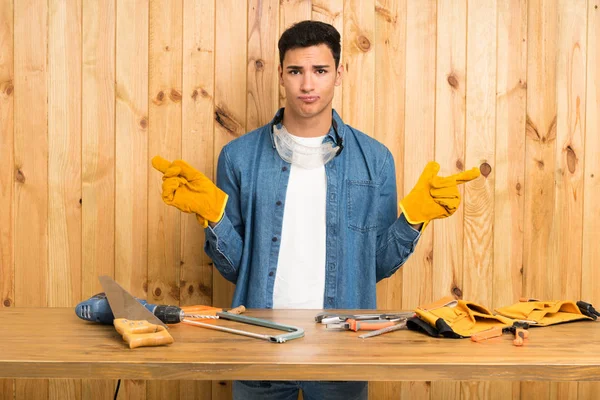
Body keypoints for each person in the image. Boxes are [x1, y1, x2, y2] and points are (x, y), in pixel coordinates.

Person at [153, 20, 479, 400]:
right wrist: (214, 219)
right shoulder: (238, 158)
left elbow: (375, 266)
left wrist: (413, 219)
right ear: (281, 74)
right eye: (296, 71)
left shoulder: (376, 160)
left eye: (320, 71)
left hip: (343, 353)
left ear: (339, 74)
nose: (308, 85)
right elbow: (236, 268)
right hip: (260, 347)